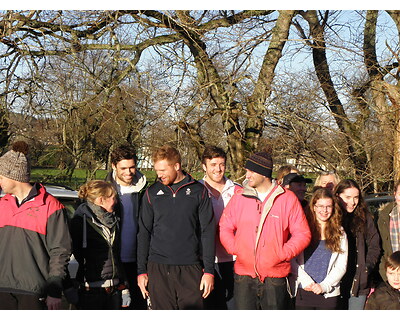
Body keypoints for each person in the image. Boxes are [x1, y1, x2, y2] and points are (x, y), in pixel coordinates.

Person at [219, 149, 311, 309]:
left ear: (263, 173)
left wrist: (282, 253)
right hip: (243, 276)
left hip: (275, 278)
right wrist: (235, 248)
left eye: (251, 171)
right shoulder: (239, 197)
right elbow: (225, 226)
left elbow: (302, 234)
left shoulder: (287, 199)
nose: (247, 176)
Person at [137, 145, 215, 310]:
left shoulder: (199, 191)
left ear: (177, 166)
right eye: (157, 170)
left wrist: (209, 271)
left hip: (190, 267)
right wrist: (141, 271)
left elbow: (207, 232)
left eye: (163, 170)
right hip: (158, 268)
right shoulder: (151, 193)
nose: (159, 174)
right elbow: (144, 232)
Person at [0, 141, 71, 310]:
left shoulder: (51, 207)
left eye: (1, 176)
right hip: (2, 290)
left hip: (34, 292)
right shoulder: (2, 204)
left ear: (13, 176)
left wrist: (54, 290)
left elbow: (60, 252)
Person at [70, 180, 131, 310]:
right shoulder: (80, 222)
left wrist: (124, 285)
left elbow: (115, 256)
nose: (116, 201)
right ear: (101, 200)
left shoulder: (114, 220)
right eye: (113, 198)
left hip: (114, 291)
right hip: (90, 292)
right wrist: (69, 287)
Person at [289, 188, 348, 310]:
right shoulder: (302, 229)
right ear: (314, 207)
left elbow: (341, 265)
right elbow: (291, 260)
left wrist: (324, 286)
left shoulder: (340, 232)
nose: (324, 210)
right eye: (320, 206)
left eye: (328, 206)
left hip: (328, 294)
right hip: (303, 291)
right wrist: (306, 281)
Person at [199, 145, 242, 310]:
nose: (218, 169)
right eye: (213, 165)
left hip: (234, 260)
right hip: (206, 260)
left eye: (221, 164)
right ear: (204, 166)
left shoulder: (239, 190)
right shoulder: (196, 190)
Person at [105, 143, 147, 309]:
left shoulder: (145, 190)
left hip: (139, 262)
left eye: (132, 167)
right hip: (112, 263)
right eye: (123, 168)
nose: (128, 172)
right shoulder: (103, 191)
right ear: (114, 166)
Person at [334, 179, 381, 310]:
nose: (352, 202)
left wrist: (367, 268)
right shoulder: (331, 217)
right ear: (337, 196)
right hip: (335, 281)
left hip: (359, 281)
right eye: (347, 197)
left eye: (356, 197)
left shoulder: (364, 217)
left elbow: (374, 245)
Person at [377, 179, 400, 282]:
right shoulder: (385, 218)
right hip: (392, 279)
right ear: (395, 194)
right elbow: (380, 250)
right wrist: (386, 277)